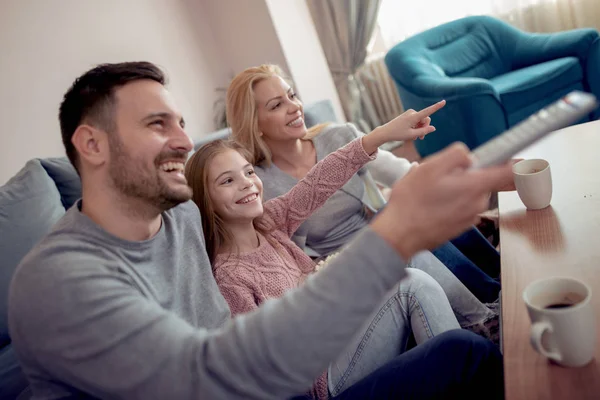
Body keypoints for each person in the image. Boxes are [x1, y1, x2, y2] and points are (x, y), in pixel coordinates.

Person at [8, 61, 512, 400]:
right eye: (158, 124)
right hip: (285, 384)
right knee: (459, 350)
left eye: (181, 122)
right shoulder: (58, 283)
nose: (184, 140)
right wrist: (391, 238)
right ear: (91, 145)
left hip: (292, 369)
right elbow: (208, 374)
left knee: (442, 323)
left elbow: (306, 191)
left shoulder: (181, 214)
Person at [185, 112, 461, 398]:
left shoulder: (269, 223)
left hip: (340, 330)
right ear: (206, 201)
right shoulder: (229, 277)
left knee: (401, 255)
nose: (246, 183)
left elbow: (319, 181)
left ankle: (468, 343)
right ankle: (464, 363)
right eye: (227, 181)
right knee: (410, 286)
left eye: (249, 172)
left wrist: (381, 134)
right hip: (322, 375)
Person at [227, 64, 502, 303]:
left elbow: (403, 174)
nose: (294, 107)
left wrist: (461, 182)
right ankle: (492, 297)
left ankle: (498, 269)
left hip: (384, 222)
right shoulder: (259, 184)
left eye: (292, 96)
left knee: (415, 203)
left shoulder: (337, 136)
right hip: (343, 261)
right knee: (401, 220)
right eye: (277, 105)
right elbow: (282, 253)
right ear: (255, 124)